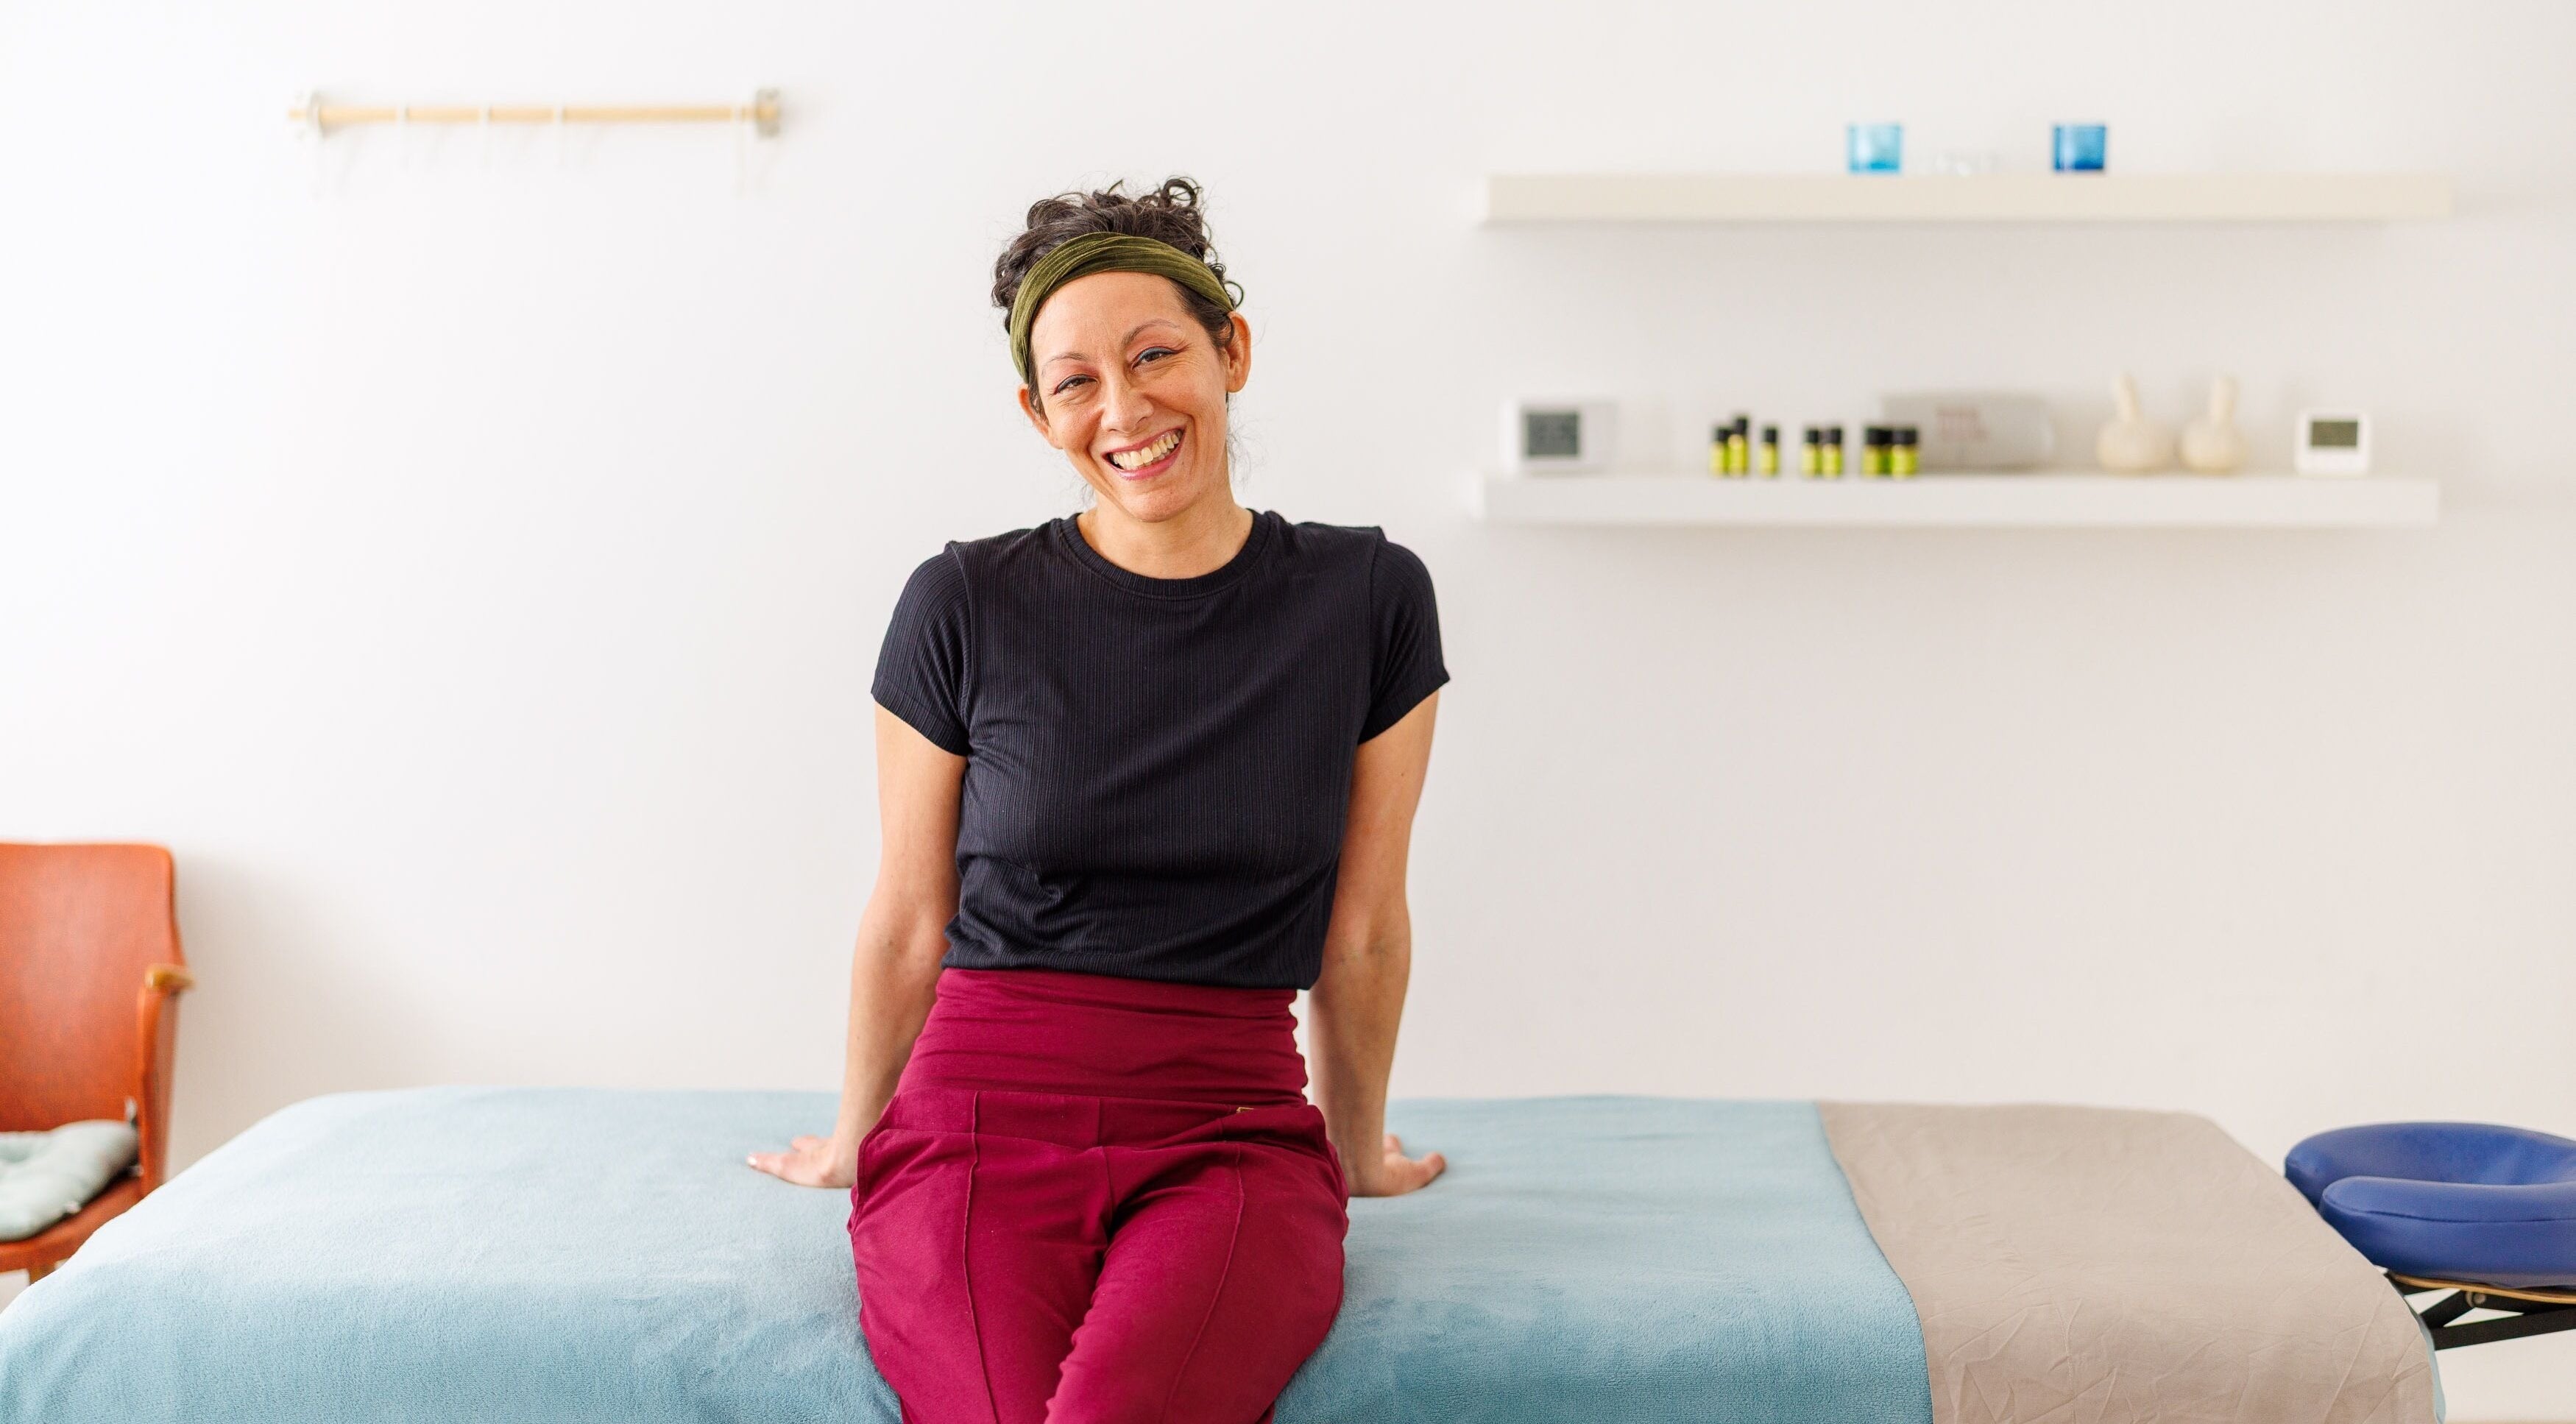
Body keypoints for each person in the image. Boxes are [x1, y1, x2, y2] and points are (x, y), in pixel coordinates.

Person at [748, 177, 1448, 1424]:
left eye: (1157, 354)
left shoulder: (1369, 599)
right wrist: (857, 1133)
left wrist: (1358, 1153)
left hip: (1228, 1129)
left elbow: (1367, 926)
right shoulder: (962, 603)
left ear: (1230, 349)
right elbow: (912, 917)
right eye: (1077, 381)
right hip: (972, 1127)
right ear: (1039, 412)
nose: (1126, 409)